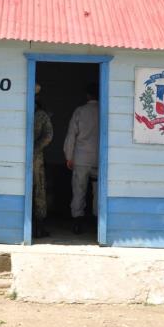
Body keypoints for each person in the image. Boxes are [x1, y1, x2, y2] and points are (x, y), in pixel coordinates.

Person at [64, 83, 99, 233]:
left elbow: (71, 135)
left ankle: (77, 221)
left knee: (79, 189)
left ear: (87, 95)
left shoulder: (80, 111)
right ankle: (98, 221)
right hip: (99, 158)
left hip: (81, 158)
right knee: (98, 190)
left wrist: (68, 156)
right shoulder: (105, 111)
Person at [32, 84, 53, 238]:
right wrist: (36, 148)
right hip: (36, 157)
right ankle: (39, 226)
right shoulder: (41, 115)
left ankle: (35, 226)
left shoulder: (19, 109)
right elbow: (48, 136)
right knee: (38, 189)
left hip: (25, 156)